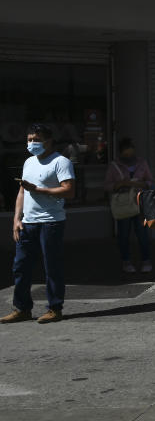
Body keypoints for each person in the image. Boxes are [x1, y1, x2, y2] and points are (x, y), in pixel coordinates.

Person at [2, 124, 75, 324]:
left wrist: (40, 190)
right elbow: (22, 192)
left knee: (52, 266)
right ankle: (22, 308)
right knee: (20, 266)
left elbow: (69, 191)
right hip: (28, 222)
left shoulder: (61, 162)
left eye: (37, 139)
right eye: (30, 139)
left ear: (49, 141)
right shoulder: (28, 162)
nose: (32, 143)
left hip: (51, 222)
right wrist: (16, 219)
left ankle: (54, 308)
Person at [104, 137, 154, 274]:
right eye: (126, 154)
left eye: (131, 153)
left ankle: (146, 260)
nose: (129, 156)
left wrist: (139, 184)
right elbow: (107, 186)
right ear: (121, 153)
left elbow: (150, 181)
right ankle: (126, 261)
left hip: (139, 203)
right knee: (123, 235)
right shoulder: (114, 165)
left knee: (142, 234)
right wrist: (121, 184)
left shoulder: (142, 163)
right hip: (123, 204)